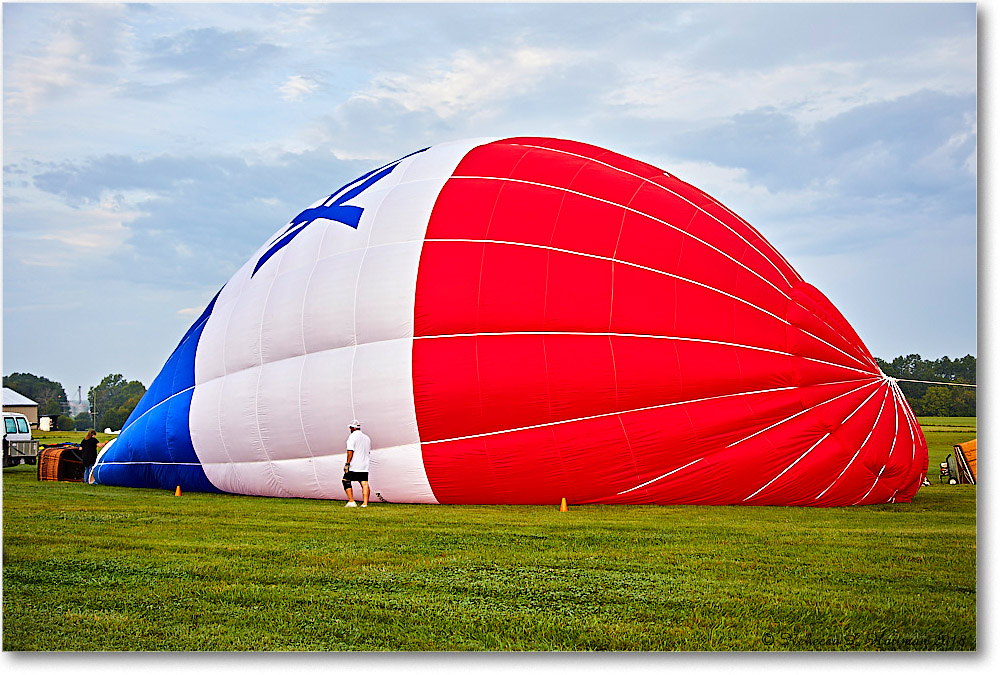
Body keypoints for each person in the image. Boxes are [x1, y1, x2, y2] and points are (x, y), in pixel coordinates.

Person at [342, 419, 371, 507]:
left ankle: (351, 501)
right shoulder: (366, 438)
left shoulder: (352, 437)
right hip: (364, 464)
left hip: (355, 464)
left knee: (346, 480)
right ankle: (365, 503)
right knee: (364, 482)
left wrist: (347, 463)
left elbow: (350, 451)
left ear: (353, 428)